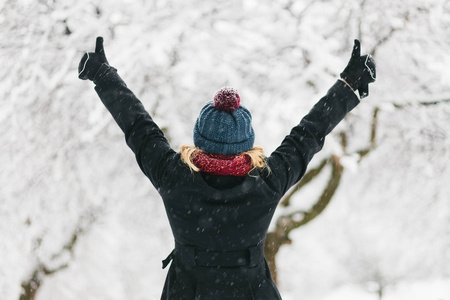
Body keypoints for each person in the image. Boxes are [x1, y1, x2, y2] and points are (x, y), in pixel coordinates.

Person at [78, 36, 375, 300]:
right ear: (246, 144)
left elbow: (138, 126)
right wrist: (349, 85)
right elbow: (308, 134)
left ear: (199, 140)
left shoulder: (174, 178)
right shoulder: (266, 184)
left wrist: (102, 75)